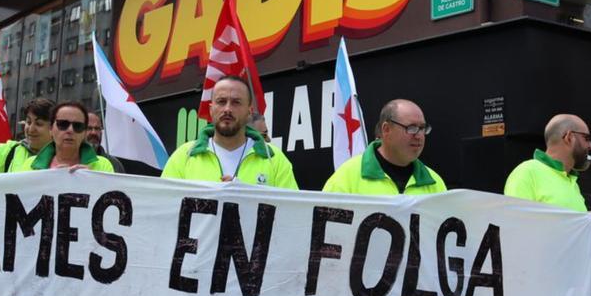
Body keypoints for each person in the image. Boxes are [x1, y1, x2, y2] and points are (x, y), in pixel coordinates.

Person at [161, 76, 298, 189]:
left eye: (236, 102)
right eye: (221, 101)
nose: (227, 109)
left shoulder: (274, 159)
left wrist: (246, 197)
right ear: (211, 109)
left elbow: (291, 213)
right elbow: (163, 208)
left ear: (249, 112)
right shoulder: (184, 156)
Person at [323, 99, 446, 195]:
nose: (419, 135)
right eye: (411, 128)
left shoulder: (435, 183)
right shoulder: (347, 177)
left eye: (422, 128)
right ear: (386, 129)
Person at [504, 114, 591, 211]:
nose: (590, 145)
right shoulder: (526, 172)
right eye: (586, 138)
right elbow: (514, 221)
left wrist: (585, 220)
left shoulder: (573, 183)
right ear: (569, 137)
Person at [17, 101, 115, 172]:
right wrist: (48, 180)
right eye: (62, 124)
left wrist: (91, 181)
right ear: (51, 129)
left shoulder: (103, 165)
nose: (70, 130)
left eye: (78, 126)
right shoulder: (29, 165)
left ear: (84, 132)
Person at [0, 98, 54, 173]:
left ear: (53, 128)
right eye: (28, 122)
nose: (31, 129)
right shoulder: (13, 151)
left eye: (38, 124)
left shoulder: (62, 158)